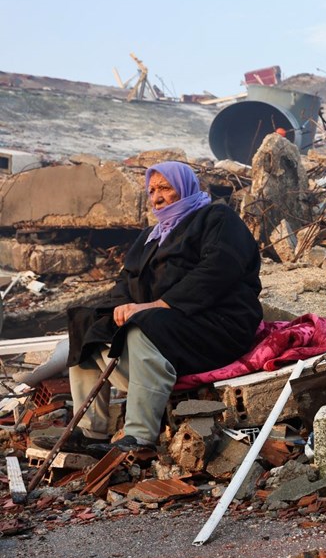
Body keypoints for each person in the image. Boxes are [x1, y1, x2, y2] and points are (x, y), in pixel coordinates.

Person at [62, 161, 263, 452]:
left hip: (217, 324)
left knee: (145, 325)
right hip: (168, 325)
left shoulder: (216, 217)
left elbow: (217, 270)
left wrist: (158, 305)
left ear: (184, 187)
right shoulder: (150, 236)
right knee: (85, 324)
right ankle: (92, 430)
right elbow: (125, 282)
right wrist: (122, 307)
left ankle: (139, 436)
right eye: (151, 190)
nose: (156, 197)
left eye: (165, 188)